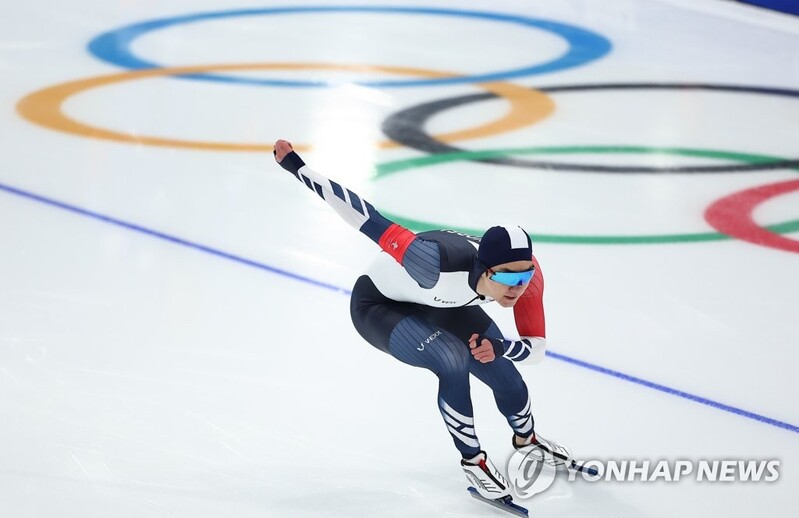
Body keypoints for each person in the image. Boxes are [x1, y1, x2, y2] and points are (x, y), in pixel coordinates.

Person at [273, 139, 571, 500]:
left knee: (506, 374)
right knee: (452, 358)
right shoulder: (433, 262)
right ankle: (473, 462)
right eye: (508, 278)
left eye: (523, 277)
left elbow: (537, 350)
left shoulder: (529, 278)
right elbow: (364, 216)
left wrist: (502, 346)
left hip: (445, 304)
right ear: (485, 270)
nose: (518, 288)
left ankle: (527, 440)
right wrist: (296, 166)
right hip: (380, 305)